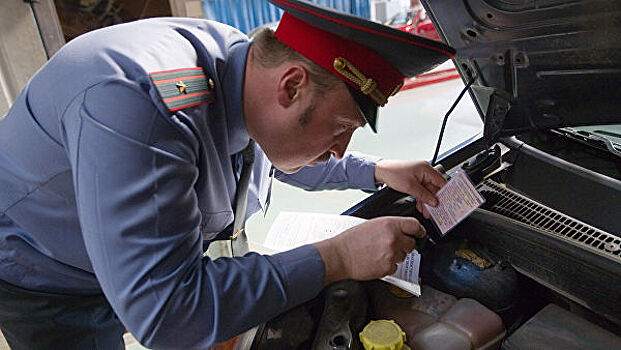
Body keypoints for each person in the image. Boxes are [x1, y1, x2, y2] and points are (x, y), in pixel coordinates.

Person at [0, 0, 455, 348]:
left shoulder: (242, 70)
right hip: (52, 279)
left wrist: (377, 170)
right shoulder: (144, 104)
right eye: (341, 130)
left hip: (130, 262)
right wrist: (336, 258)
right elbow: (164, 313)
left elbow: (268, 156)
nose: (340, 149)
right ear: (292, 85)